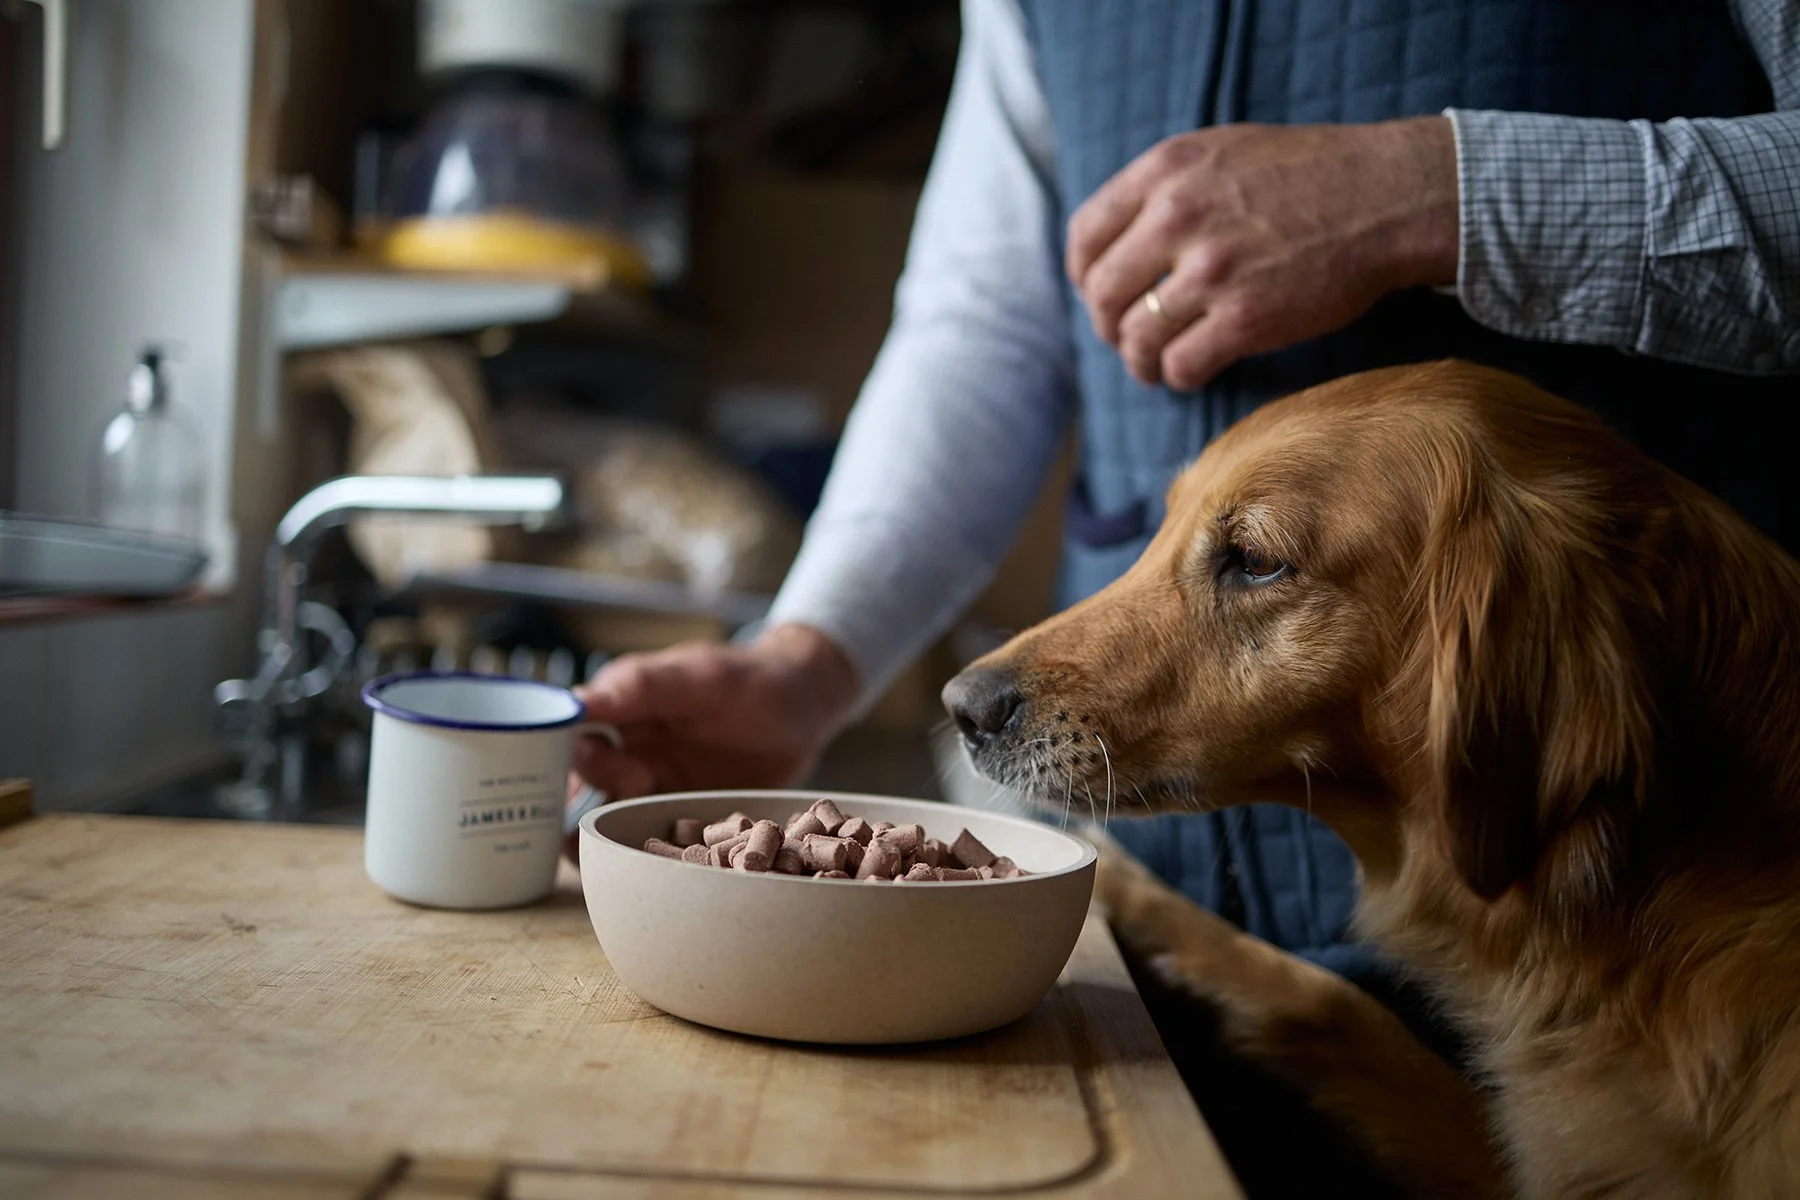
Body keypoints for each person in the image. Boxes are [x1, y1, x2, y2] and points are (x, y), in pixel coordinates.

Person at [570, 0, 1800, 1077]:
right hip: (1162, 919)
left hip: (1647, 874)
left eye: (1246, 555)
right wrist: (809, 666)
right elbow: (986, 321)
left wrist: (1448, 189)